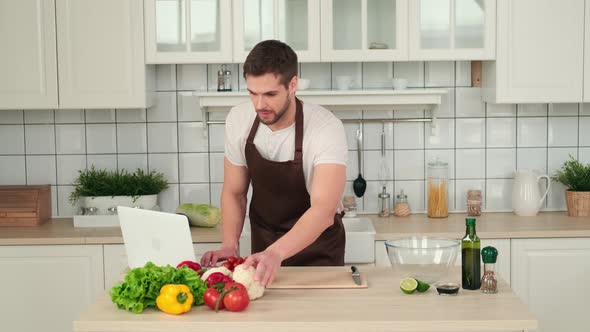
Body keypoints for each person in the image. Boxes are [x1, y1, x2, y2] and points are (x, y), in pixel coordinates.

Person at [200, 40, 348, 287]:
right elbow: (235, 192)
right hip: (263, 252)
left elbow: (323, 211)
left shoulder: (325, 128)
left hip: (318, 256)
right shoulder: (239, 119)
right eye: (252, 93)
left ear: (292, 85)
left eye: (269, 94)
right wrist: (230, 244)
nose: (259, 105)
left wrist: (277, 252)